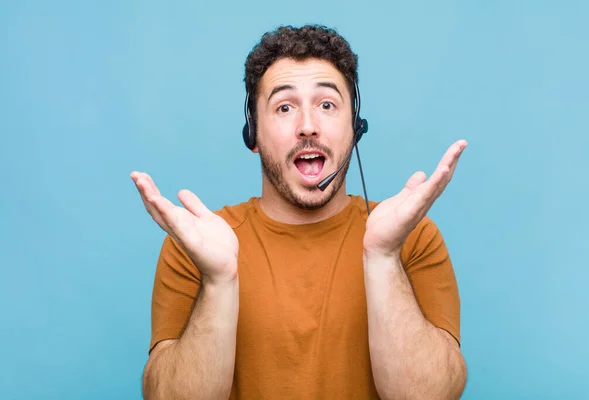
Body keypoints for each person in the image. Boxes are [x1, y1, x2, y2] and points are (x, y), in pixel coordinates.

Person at [131, 24, 468, 400]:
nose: (307, 126)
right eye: (285, 107)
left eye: (327, 105)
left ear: (355, 128)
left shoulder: (414, 238)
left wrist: (385, 257)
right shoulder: (196, 245)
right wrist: (218, 280)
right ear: (253, 134)